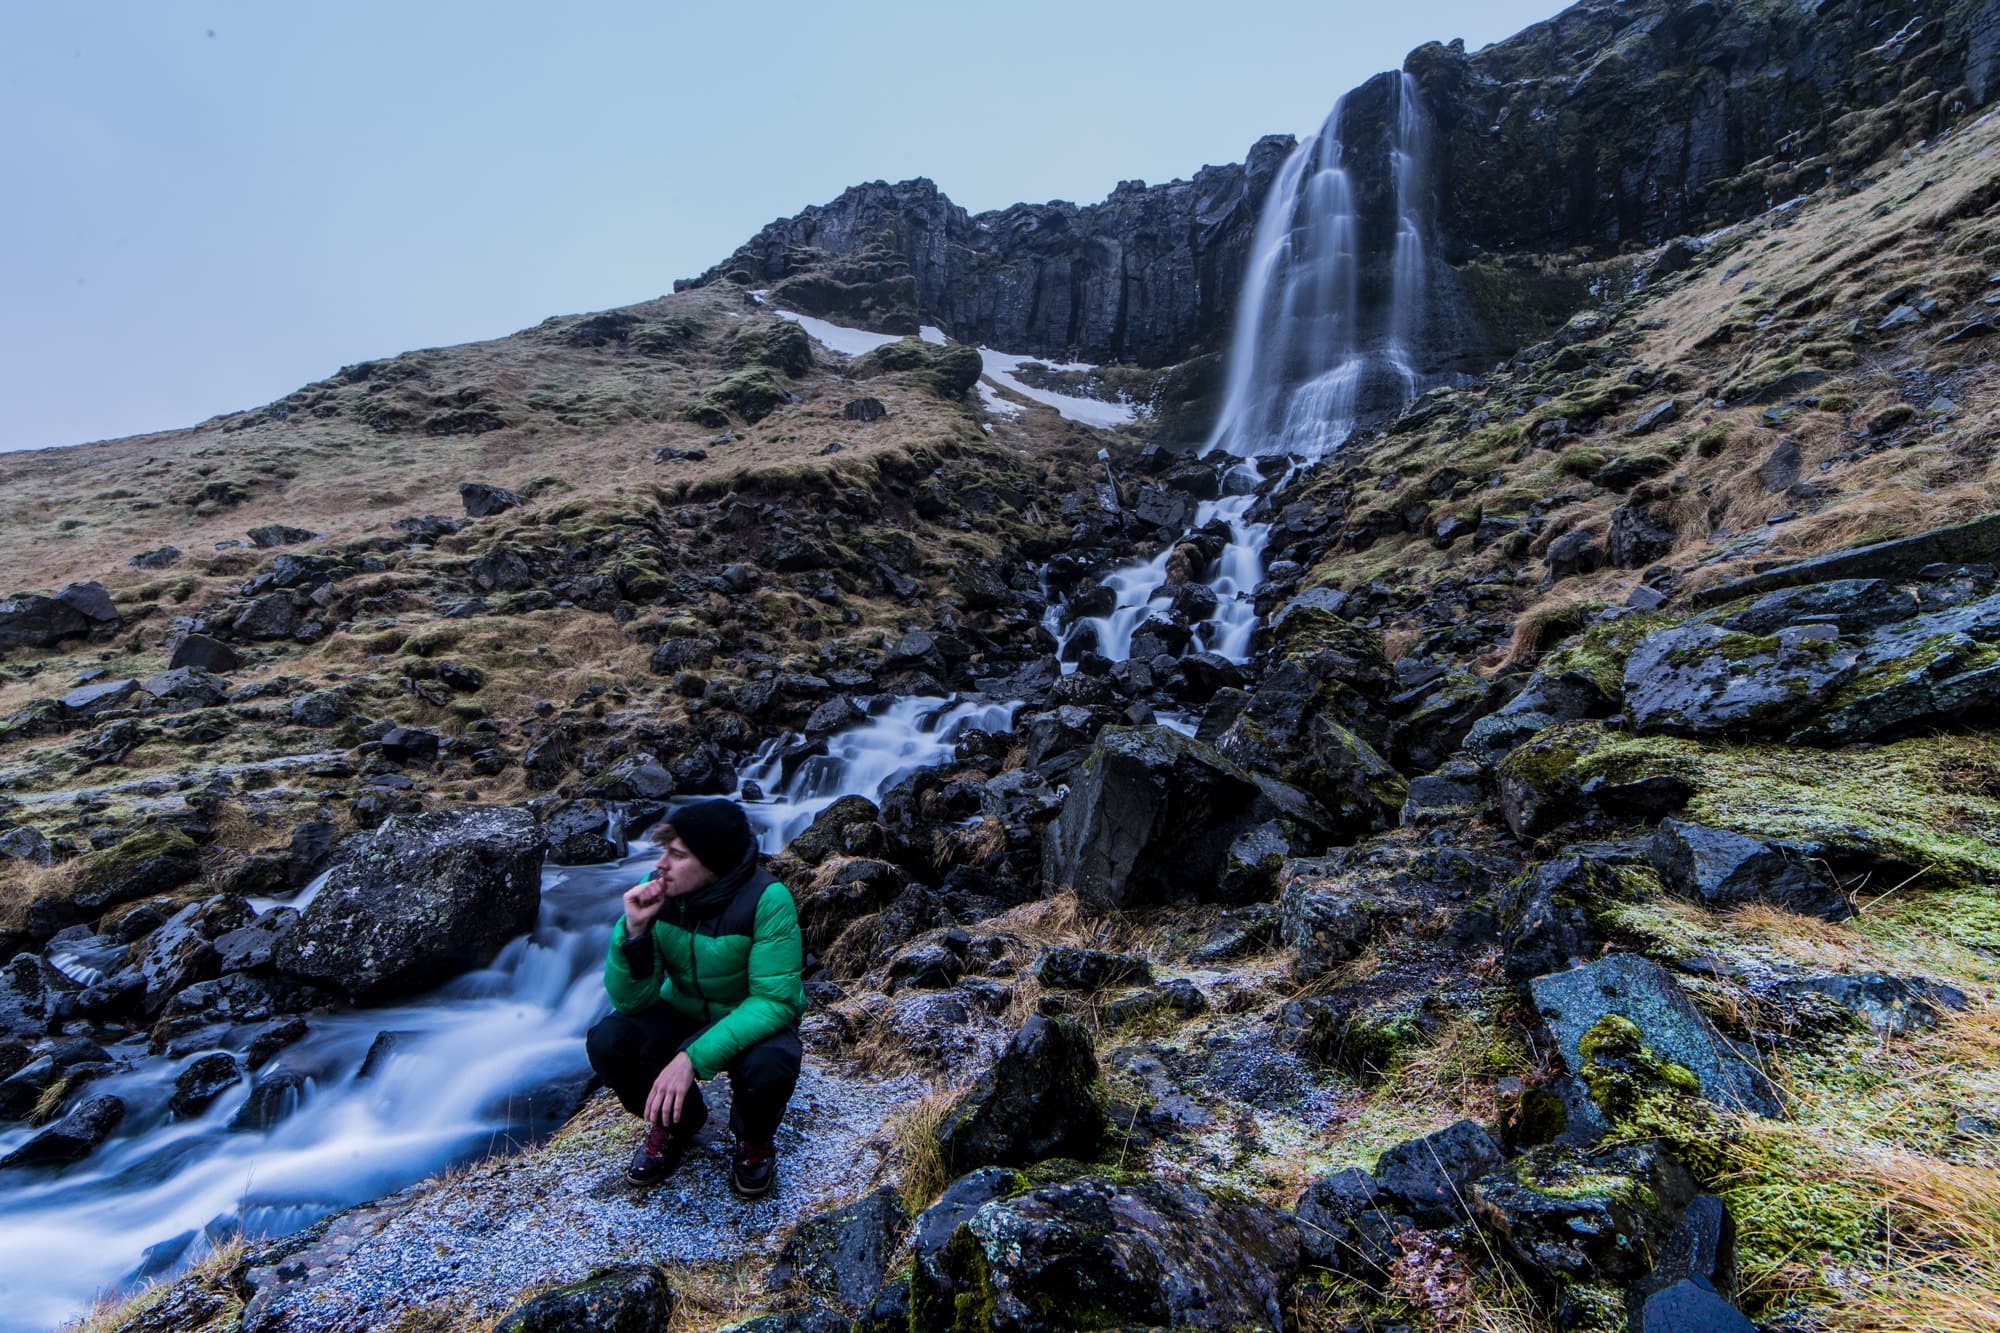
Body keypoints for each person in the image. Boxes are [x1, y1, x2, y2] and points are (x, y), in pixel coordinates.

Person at [584, 798, 806, 1196]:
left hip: (748, 1014)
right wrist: (633, 932)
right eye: (664, 852)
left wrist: (690, 1058)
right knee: (608, 1042)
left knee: (771, 1063)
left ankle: (753, 1140)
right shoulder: (662, 895)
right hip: (683, 1006)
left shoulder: (768, 900)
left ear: (712, 864)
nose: (662, 865)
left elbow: (775, 1002)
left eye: (677, 854)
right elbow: (634, 1002)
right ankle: (678, 1122)